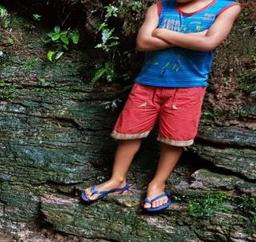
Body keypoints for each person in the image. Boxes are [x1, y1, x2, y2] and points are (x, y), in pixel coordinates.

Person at [79, 0, 241, 212]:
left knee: (175, 137)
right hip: (147, 83)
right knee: (129, 131)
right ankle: (117, 179)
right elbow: (143, 43)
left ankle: (158, 184)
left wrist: (162, 32)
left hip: (188, 86)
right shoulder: (158, 8)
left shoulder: (226, 7)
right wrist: (193, 39)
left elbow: (209, 43)